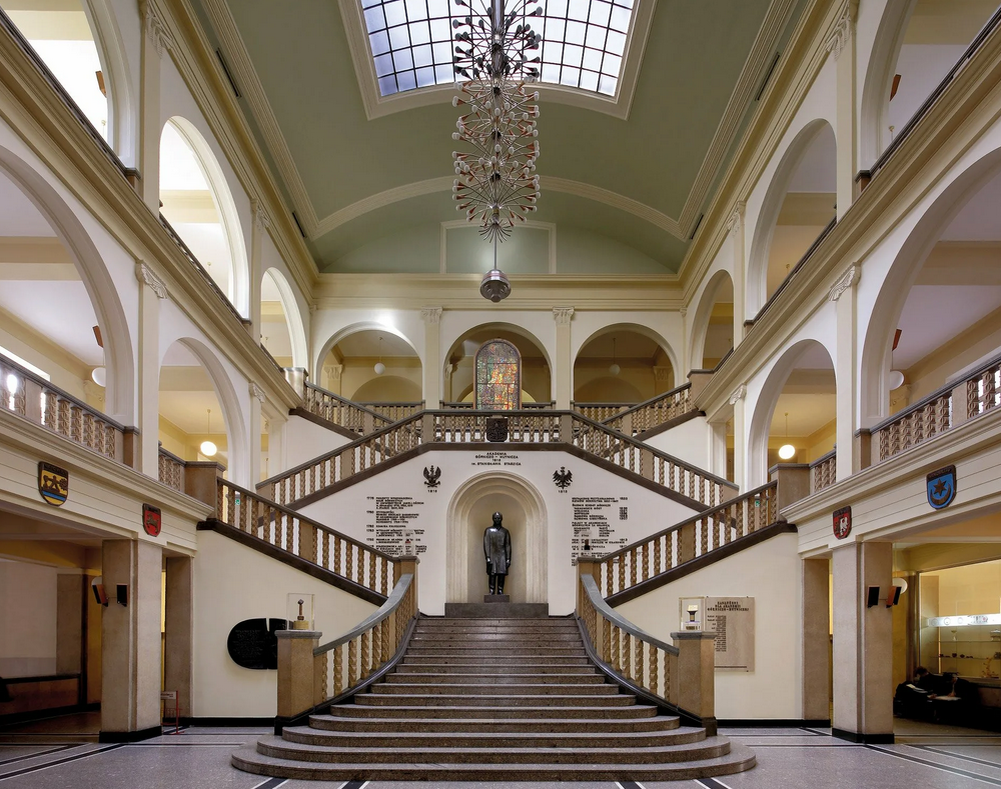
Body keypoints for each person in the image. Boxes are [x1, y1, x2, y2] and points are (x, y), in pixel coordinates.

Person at [483, 512, 512, 595]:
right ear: (493, 519)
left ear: (501, 519)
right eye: (495, 518)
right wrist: (487, 556)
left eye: (498, 518)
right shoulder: (488, 530)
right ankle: (491, 590)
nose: (497, 520)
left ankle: (500, 590)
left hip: (502, 554)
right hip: (492, 554)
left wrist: (508, 558)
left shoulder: (505, 531)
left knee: (501, 573)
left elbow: (508, 545)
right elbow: (486, 544)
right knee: (492, 573)